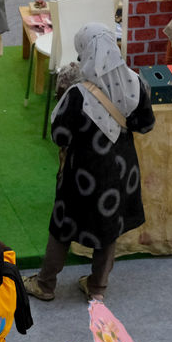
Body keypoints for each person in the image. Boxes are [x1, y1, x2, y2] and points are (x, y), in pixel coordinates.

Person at [23, 23, 155, 302]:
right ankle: (97, 289)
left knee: (63, 225)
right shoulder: (136, 82)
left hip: (82, 174)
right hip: (121, 171)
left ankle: (45, 284)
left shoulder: (78, 95)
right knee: (109, 227)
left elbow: (60, 135)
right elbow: (144, 124)